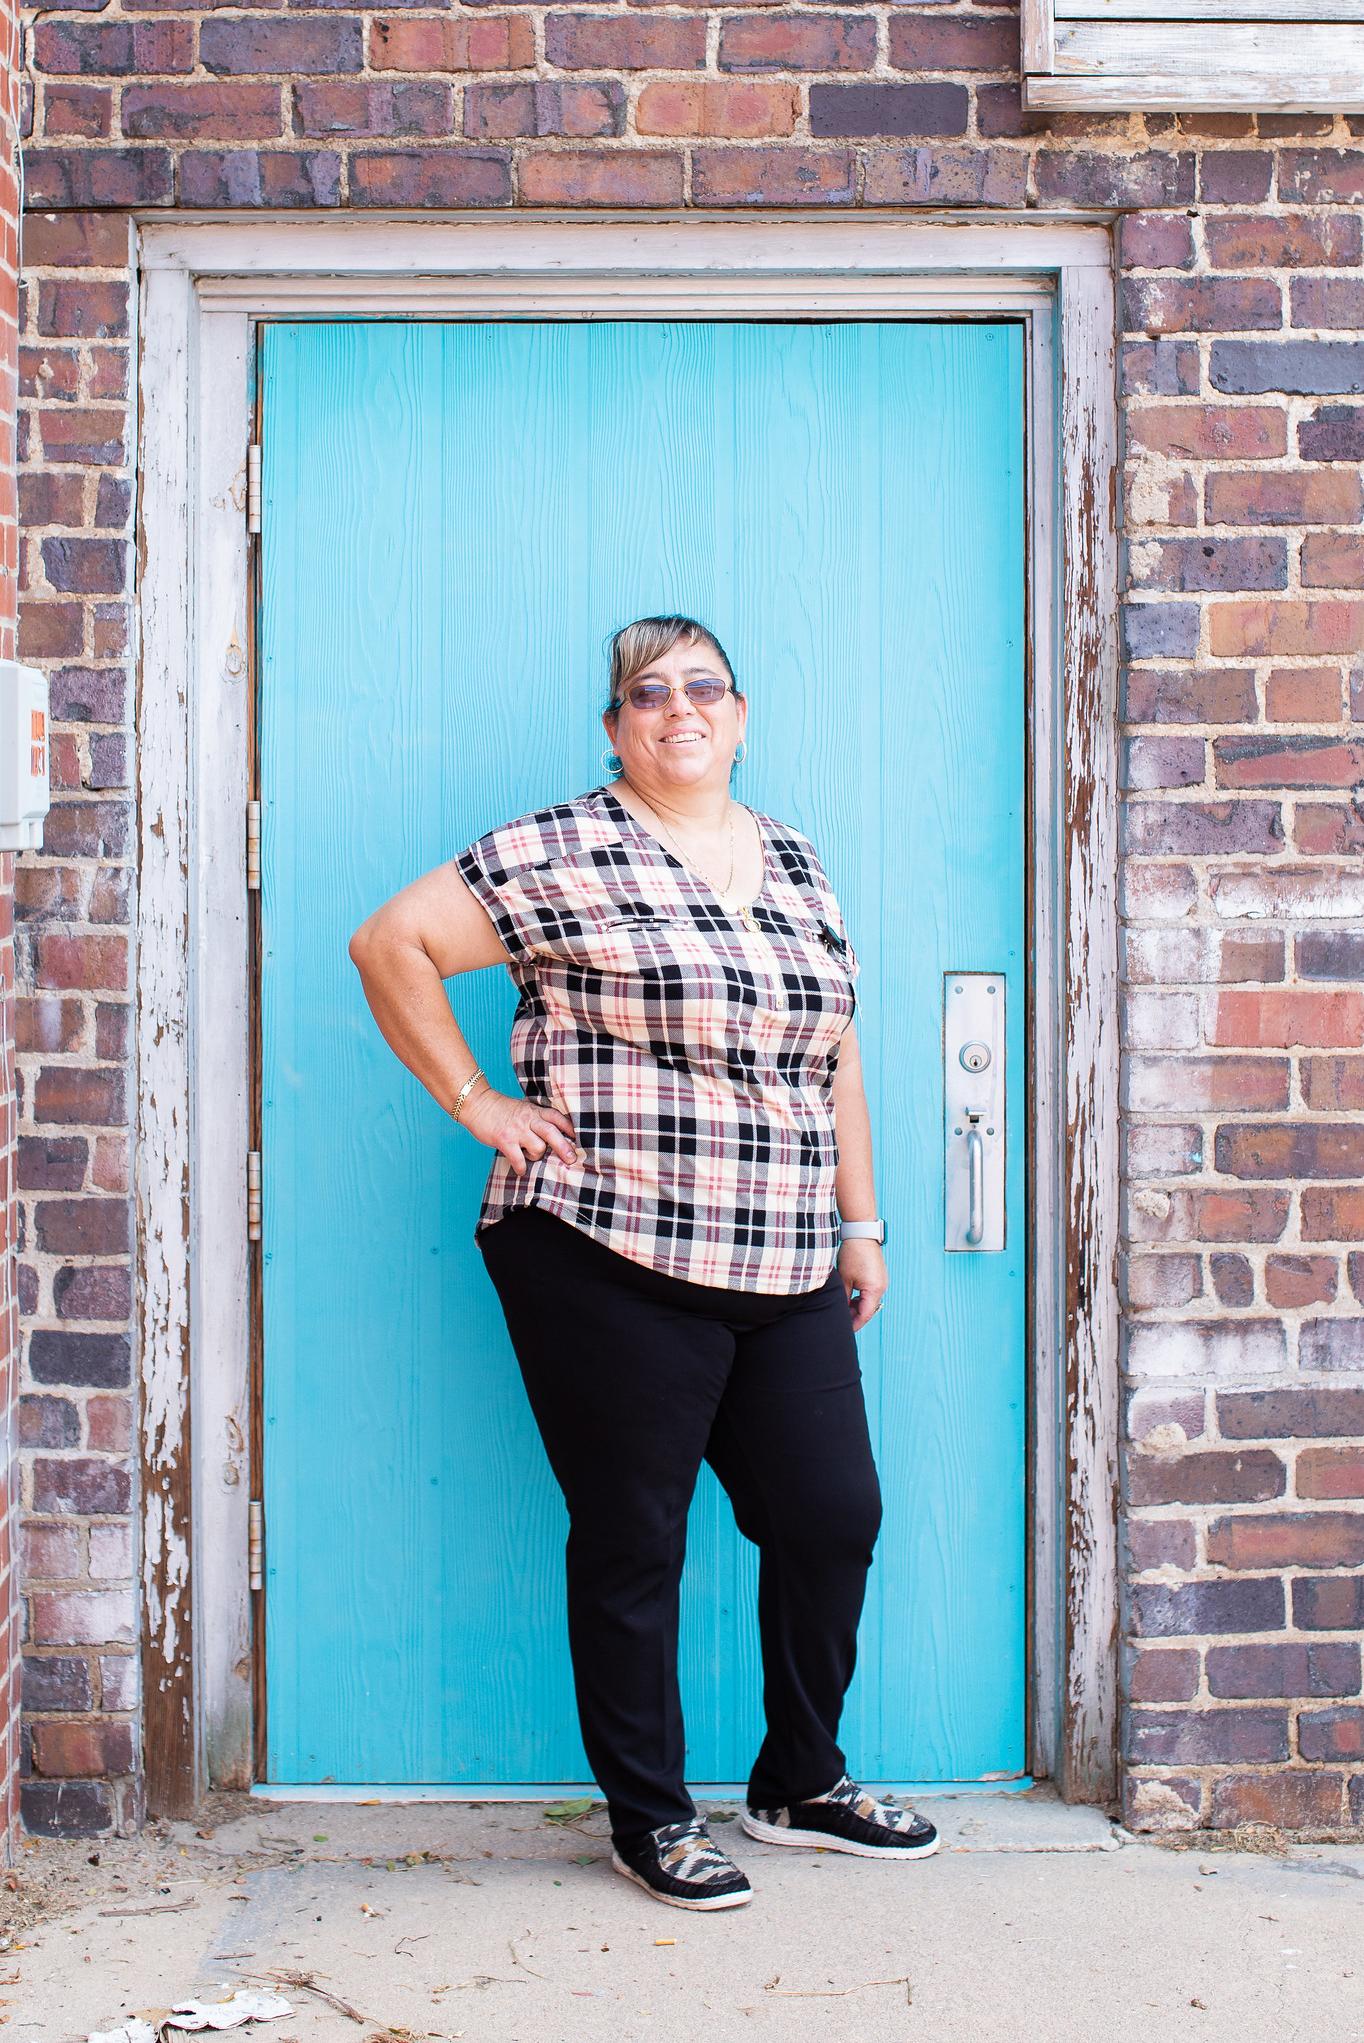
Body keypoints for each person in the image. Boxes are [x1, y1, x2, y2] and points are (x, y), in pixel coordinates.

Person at [348, 613, 939, 1912]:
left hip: (784, 1262)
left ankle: (800, 1780)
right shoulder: (558, 849)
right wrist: (473, 1100)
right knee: (635, 1538)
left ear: (740, 715)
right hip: (605, 1248)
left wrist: (860, 1222)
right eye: (648, 693)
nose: (681, 709)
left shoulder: (795, 861)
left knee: (831, 1513)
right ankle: (650, 1818)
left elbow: (831, 1051)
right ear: (617, 726)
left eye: (704, 688)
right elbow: (390, 944)